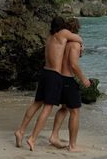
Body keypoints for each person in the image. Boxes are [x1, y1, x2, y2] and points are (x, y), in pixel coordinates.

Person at [14, 16, 83, 151]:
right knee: (47, 108)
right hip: (54, 76)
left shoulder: (50, 35)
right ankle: (32, 138)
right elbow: (79, 38)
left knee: (36, 104)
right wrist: (81, 46)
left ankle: (20, 131)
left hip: (44, 72)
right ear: (62, 26)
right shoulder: (63, 33)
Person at [49, 18, 91, 152]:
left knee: (64, 108)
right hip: (68, 80)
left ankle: (54, 136)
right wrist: (83, 79)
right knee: (75, 111)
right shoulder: (75, 44)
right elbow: (73, 64)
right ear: (77, 29)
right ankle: (72, 145)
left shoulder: (63, 41)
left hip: (59, 78)